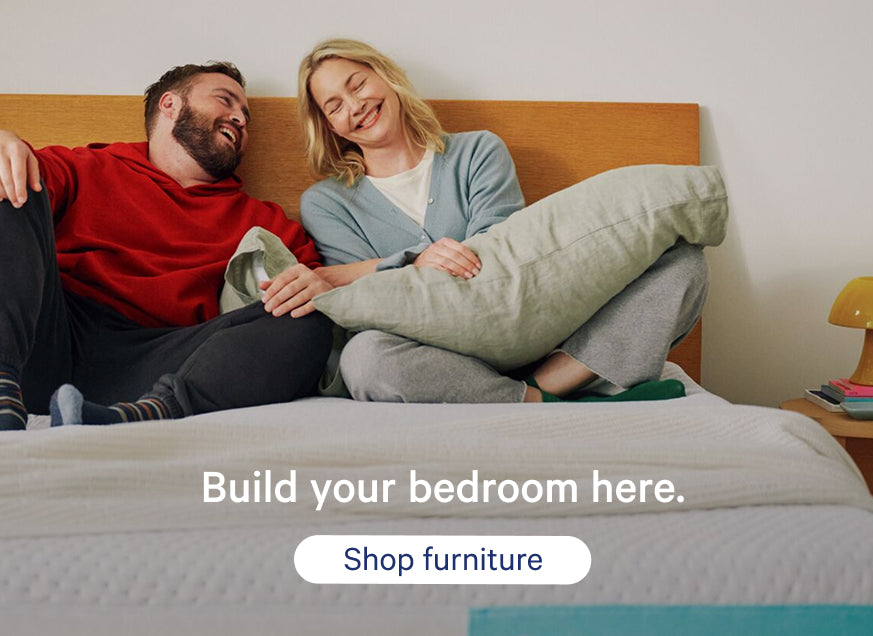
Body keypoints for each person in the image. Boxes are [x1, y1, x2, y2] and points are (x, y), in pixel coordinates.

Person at [274, 38, 708, 403]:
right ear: (329, 126)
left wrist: (404, 268)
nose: (356, 105)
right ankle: (537, 398)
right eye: (335, 105)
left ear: (386, 77)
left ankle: (556, 376)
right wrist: (416, 259)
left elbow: (500, 257)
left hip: (535, 322)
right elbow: (367, 306)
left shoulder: (478, 151)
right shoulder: (326, 203)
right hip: (434, 353)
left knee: (683, 263)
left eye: (358, 84)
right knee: (363, 357)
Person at [0, 62, 332, 430]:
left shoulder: (264, 222)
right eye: (225, 100)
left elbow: (321, 289)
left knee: (307, 320)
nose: (239, 118)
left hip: (164, 361)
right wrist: (6, 144)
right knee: (15, 181)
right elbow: (19, 176)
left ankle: (141, 414)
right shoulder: (88, 166)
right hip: (46, 338)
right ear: (170, 104)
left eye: (245, 116)